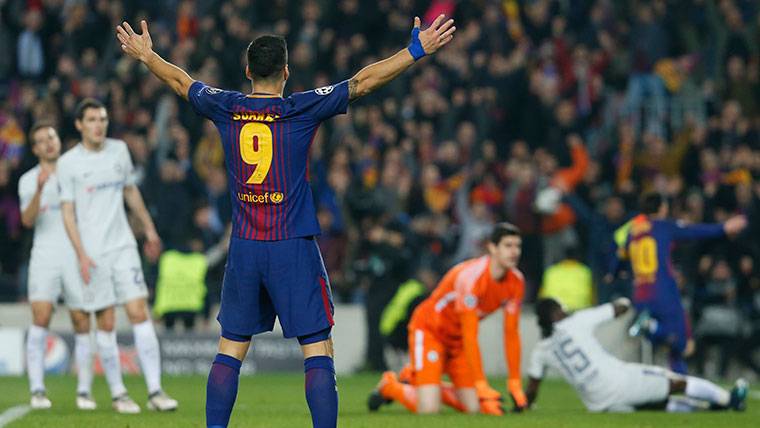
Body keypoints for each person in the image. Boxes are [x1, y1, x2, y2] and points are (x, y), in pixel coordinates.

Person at [115, 13, 456, 428]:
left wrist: (147, 55)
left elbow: (181, 82)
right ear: (286, 72)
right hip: (292, 243)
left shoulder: (227, 106)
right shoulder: (299, 108)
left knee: (230, 348)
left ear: (247, 71)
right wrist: (415, 51)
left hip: (244, 246)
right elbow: (363, 82)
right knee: (317, 348)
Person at [58, 99, 178, 413]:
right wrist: (81, 254)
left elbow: (130, 192)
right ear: (79, 125)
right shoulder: (69, 163)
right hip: (92, 254)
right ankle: (118, 393)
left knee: (140, 312)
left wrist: (149, 231)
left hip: (123, 246)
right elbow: (68, 213)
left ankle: (155, 391)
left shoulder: (119, 151)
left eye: (103, 119)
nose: (100, 125)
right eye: (93, 120)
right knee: (107, 321)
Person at [368, 223, 527, 416]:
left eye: (517, 246)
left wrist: (515, 382)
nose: (515, 252)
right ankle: (390, 386)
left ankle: (416, 377)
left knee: (475, 409)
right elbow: (471, 334)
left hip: (457, 342)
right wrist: (481, 384)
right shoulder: (472, 278)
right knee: (429, 409)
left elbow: (511, 334)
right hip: (430, 332)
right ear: (492, 248)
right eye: (508, 246)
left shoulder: (516, 282)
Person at [526, 298, 748, 413]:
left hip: (600, 403)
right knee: (675, 382)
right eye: (561, 308)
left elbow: (532, 390)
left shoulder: (541, 350)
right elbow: (619, 308)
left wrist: (523, 405)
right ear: (556, 313)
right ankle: (730, 399)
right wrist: (624, 300)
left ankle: (709, 408)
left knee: (655, 404)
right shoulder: (576, 321)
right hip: (621, 382)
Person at [618, 193, 747, 374]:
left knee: (662, 345)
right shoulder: (663, 226)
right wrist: (723, 228)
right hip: (662, 291)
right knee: (681, 342)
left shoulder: (632, 231)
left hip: (640, 293)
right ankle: (651, 327)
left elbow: (620, 256)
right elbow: (694, 231)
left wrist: (613, 272)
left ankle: (676, 385)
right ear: (662, 208)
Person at [18, 123, 96, 410]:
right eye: (41, 141)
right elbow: (26, 221)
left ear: (57, 139)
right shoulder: (28, 180)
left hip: (76, 254)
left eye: (51, 136)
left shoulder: (76, 170)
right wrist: (39, 190)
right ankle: (37, 390)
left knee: (82, 320)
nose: (48, 143)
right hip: (45, 255)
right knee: (41, 318)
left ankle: (85, 391)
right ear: (35, 149)